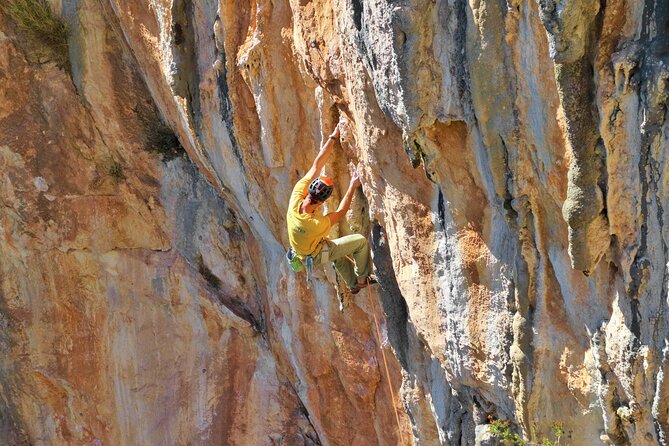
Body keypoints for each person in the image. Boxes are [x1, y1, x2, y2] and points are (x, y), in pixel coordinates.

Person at [286, 123, 372, 294]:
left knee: (336, 253)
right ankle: (362, 280)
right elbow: (340, 212)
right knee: (360, 242)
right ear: (321, 202)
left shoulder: (296, 198)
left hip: (304, 254)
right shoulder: (314, 224)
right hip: (316, 256)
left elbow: (316, 166)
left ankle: (352, 285)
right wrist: (352, 185)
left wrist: (334, 136)